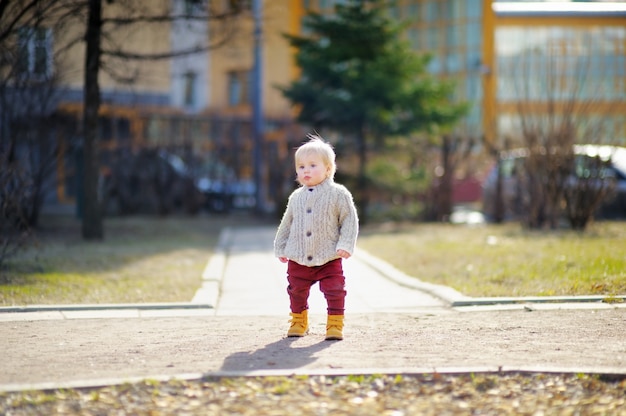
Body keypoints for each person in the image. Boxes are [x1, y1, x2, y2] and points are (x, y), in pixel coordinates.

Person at [274, 134, 359, 340]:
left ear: (328, 169)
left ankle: (335, 324)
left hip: (329, 256)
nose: (306, 171)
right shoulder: (296, 197)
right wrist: (281, 247)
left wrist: (346, 243)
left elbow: (349, 220)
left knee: (335, 290)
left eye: (312, 165)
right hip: (298, 256)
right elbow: (287, 223)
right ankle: (299, 321)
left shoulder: (339, 194)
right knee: (296, 290)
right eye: (301, 167)